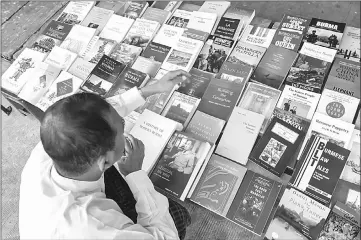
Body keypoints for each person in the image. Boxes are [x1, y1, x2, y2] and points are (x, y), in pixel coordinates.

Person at [19, 70, 192, 240]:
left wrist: (153, 89)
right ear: (106, 161)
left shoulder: (56, 138)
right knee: (176, 214)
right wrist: (135, 174)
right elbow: (167, 237)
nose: (124, 124)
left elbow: (94, 115)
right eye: (122, 126)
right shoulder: (93, 227)